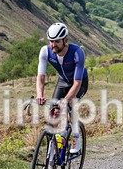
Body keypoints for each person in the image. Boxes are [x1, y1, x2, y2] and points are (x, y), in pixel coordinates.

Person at [36, 22, 88, 153]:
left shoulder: (77, 52)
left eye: (57, 41)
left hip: (79, 82)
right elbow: (41, 76)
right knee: (54, 112)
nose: (53, 45)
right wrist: (40, 95)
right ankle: (53, 152)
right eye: (51, 41)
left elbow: (77, 83)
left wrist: (66, 100)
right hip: (63, 81)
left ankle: (76, 137)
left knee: (70, 104)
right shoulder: (45, 51)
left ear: (65, 40)